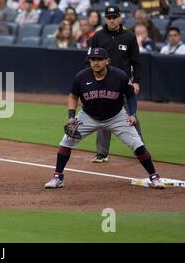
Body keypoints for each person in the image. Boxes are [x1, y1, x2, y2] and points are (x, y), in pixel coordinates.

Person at [44, 47, 165, 189]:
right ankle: (58, 177)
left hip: (117, 116)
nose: (96, 62)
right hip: (88, 116)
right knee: (66, 142)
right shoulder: (81, 77)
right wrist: (71, 117)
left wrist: (132, 114)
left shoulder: (119, 76)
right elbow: (73, 96)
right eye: (93, 60)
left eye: (99, 59)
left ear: (107, 61)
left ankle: (154, 176)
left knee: (137, 144)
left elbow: (131, 95)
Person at [88, 5, 142, 163]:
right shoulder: (98, 36)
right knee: (103, 117)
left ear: (120, 18)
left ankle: (140, 149)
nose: (112, 20)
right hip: (102, 83)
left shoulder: (129, 37)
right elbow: (89, 60)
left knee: (131, 116)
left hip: (123, 83)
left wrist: (136, 81)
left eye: (114, 17)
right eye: (109, 17)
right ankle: (102, 153)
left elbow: (136, 61)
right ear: (105, 19)